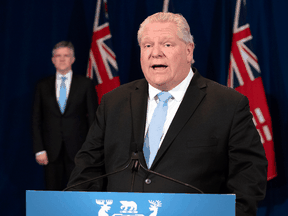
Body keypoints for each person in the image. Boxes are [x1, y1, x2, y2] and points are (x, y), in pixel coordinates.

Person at [67, 13, 267, 215]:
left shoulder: (228, 105)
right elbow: (86, 172)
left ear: (189, 51)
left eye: (167, 45)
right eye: (147, 46)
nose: (155, 53)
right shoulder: (114, 102)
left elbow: (248, 179)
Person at [32, 41, 98, 190]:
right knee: (52, 193)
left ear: (73, 59)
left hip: (78, 150)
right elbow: (36, 119)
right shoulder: (42, 86)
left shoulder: (85, 84)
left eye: (66, 55)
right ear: (53, 59)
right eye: (58, 56)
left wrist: (90, 151)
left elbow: (94, 119)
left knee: (77, 192)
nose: (62, 59)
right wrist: (39, 149)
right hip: (50, 151)